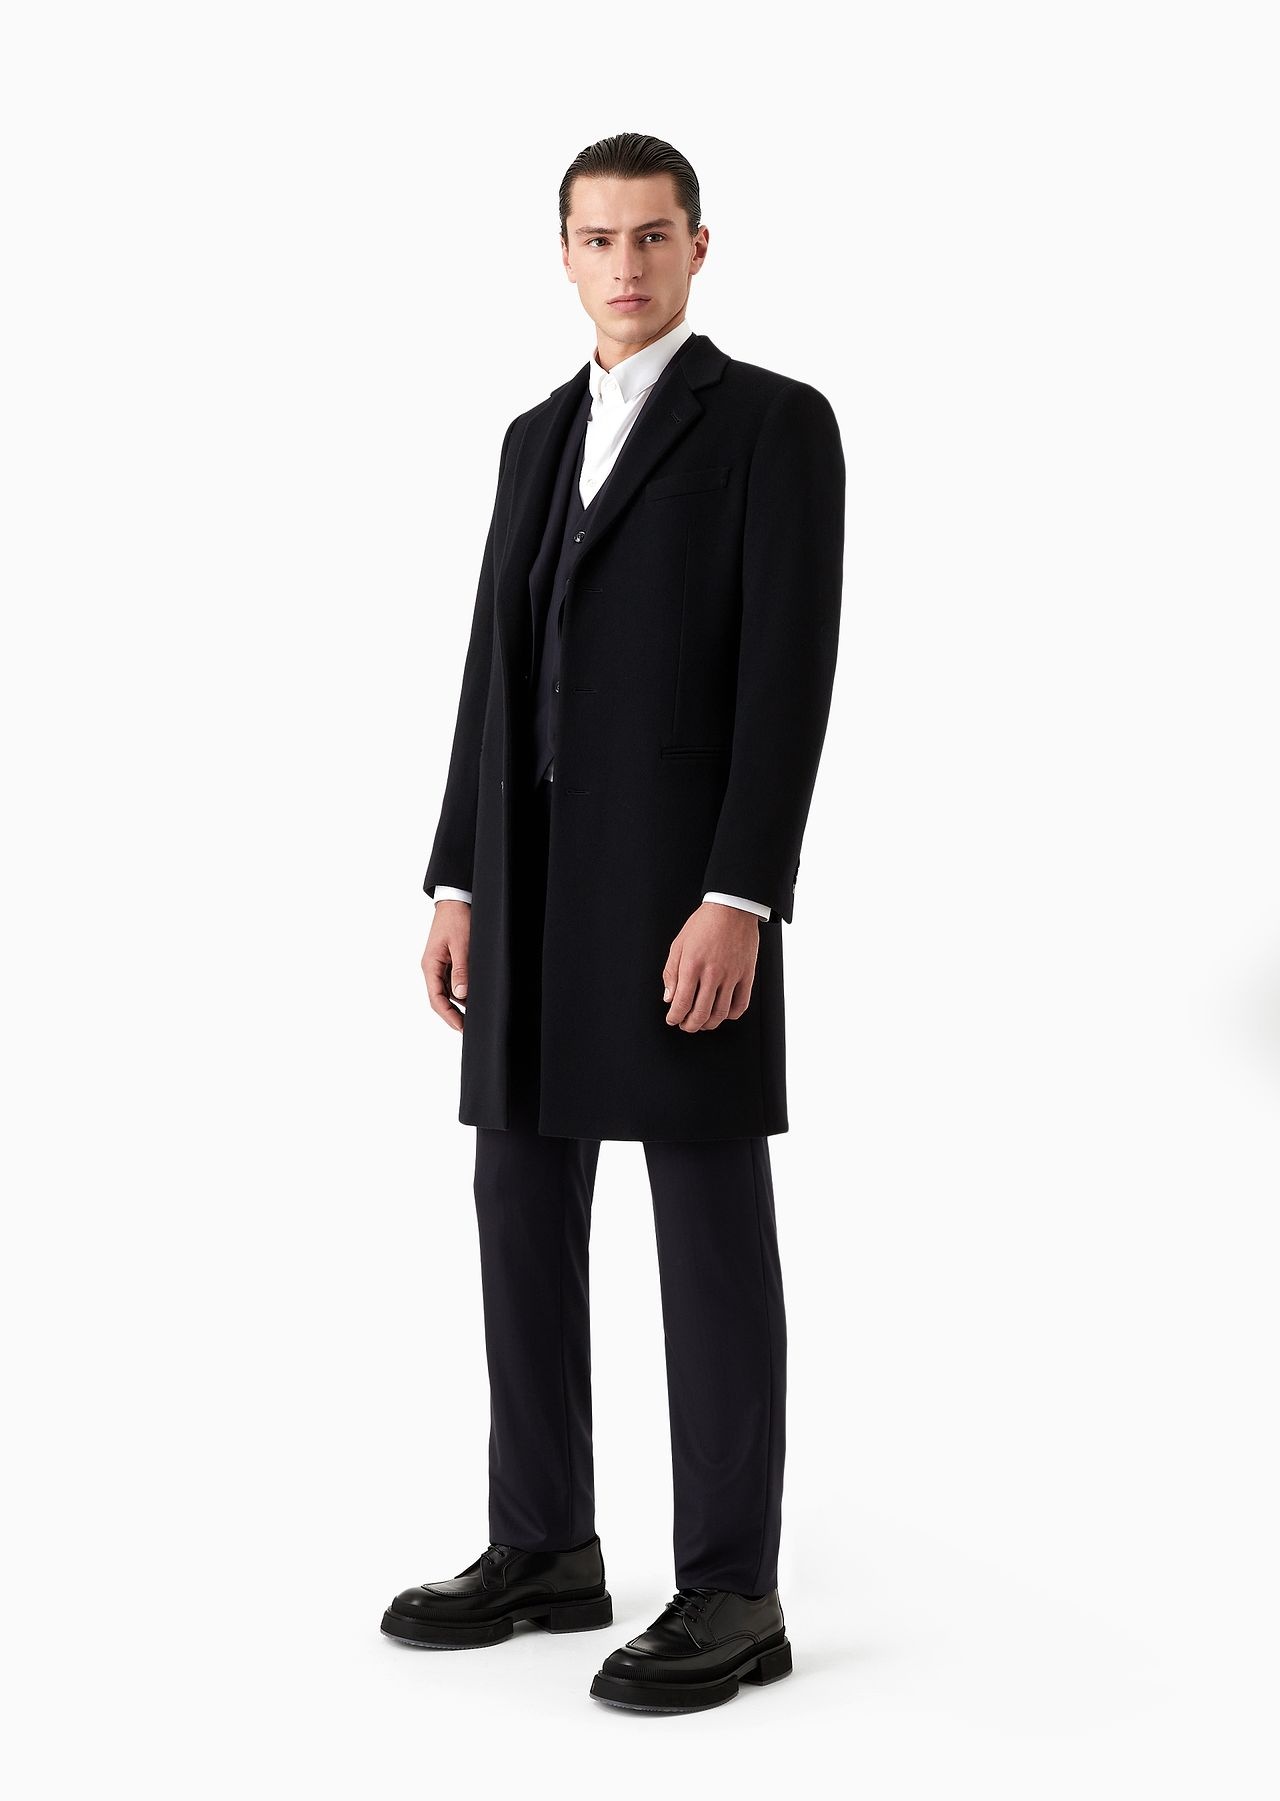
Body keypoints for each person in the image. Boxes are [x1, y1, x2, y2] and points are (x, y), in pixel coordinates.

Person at [379, 131, 845, 1715]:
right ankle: (545, 1543)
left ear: (699, 247)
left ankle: (732, 1586)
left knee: (707, 1223)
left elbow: (788, 673)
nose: (625, 265)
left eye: (652, 236)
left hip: (678, 892)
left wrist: (741, 892)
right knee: (518, 1200)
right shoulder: (532, 437)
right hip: (526, 885)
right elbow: (492, 665)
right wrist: (457, 878)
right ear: (563, 252)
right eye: (598, 238)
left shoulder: (773, 426)